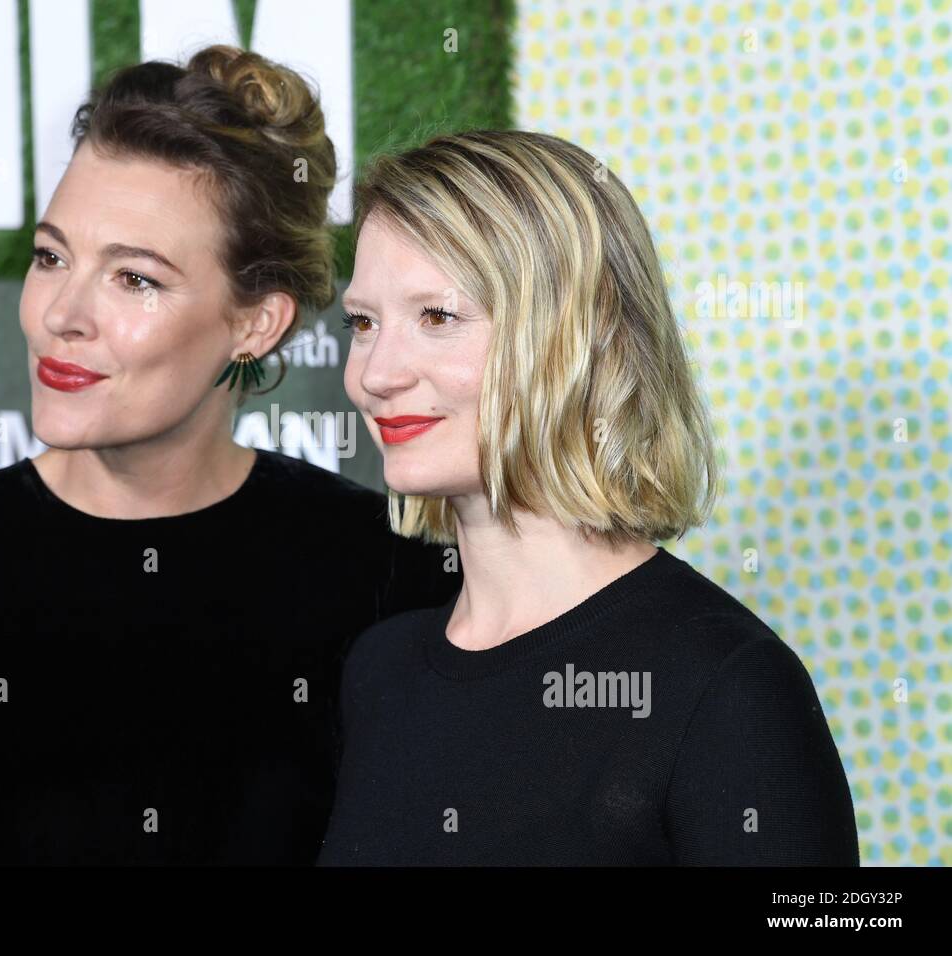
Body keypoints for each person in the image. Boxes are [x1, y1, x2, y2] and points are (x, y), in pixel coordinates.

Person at [0, 45, 459, 866]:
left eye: (136, 280)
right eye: (52, 258)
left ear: (257, 322)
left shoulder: (390, 577)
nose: (62, 316)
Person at [317, 129, 859, 865]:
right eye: (363, 323)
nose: (376, 373)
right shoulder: (378, 671)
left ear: (584, 335)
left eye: (437, 317)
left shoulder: (726, 689)